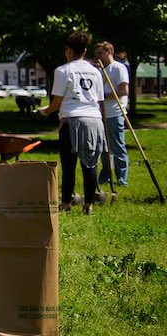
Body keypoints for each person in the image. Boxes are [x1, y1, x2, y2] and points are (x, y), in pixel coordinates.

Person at [40, 31, 105, 214]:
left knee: (69, 164)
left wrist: (44, 112)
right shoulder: (96, 71)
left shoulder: (63, 70)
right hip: (94, 119)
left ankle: (66, 204)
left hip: (71, 119)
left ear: (67, 50)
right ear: (85, 50)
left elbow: (57, 102)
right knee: (90, 164)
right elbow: (99, 101)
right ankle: (88, 206)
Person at [93, 41, 129, 188]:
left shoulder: (118, 68)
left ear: (109, 52)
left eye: (100, 53)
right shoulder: (100, 70)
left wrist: (104, 95)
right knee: (104, 149)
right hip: (101, 114)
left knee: (117, 147)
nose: (98, 57)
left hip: (115, 113)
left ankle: (122, 178)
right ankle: (106, 175)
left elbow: (123, 91)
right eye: (96, 55)